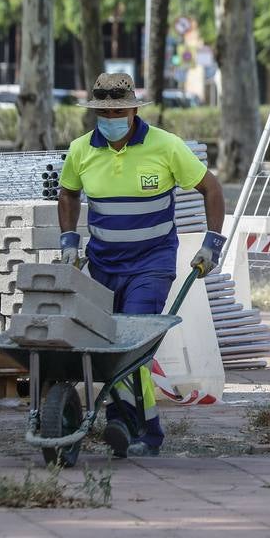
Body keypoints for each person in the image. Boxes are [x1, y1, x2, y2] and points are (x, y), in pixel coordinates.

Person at [57, 72, 226, 457]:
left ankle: (136, 428)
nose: (111, 117)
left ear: (133, 108)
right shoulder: (82, 150)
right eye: (103, 111)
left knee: (130, 341)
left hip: (152, 263)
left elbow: (211, 188)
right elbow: (67, 193)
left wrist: (212, 243)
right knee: (109, 345)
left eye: (118, 110)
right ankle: (132, 425)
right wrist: (69, 240)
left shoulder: (166, 146)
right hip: (102, 265)